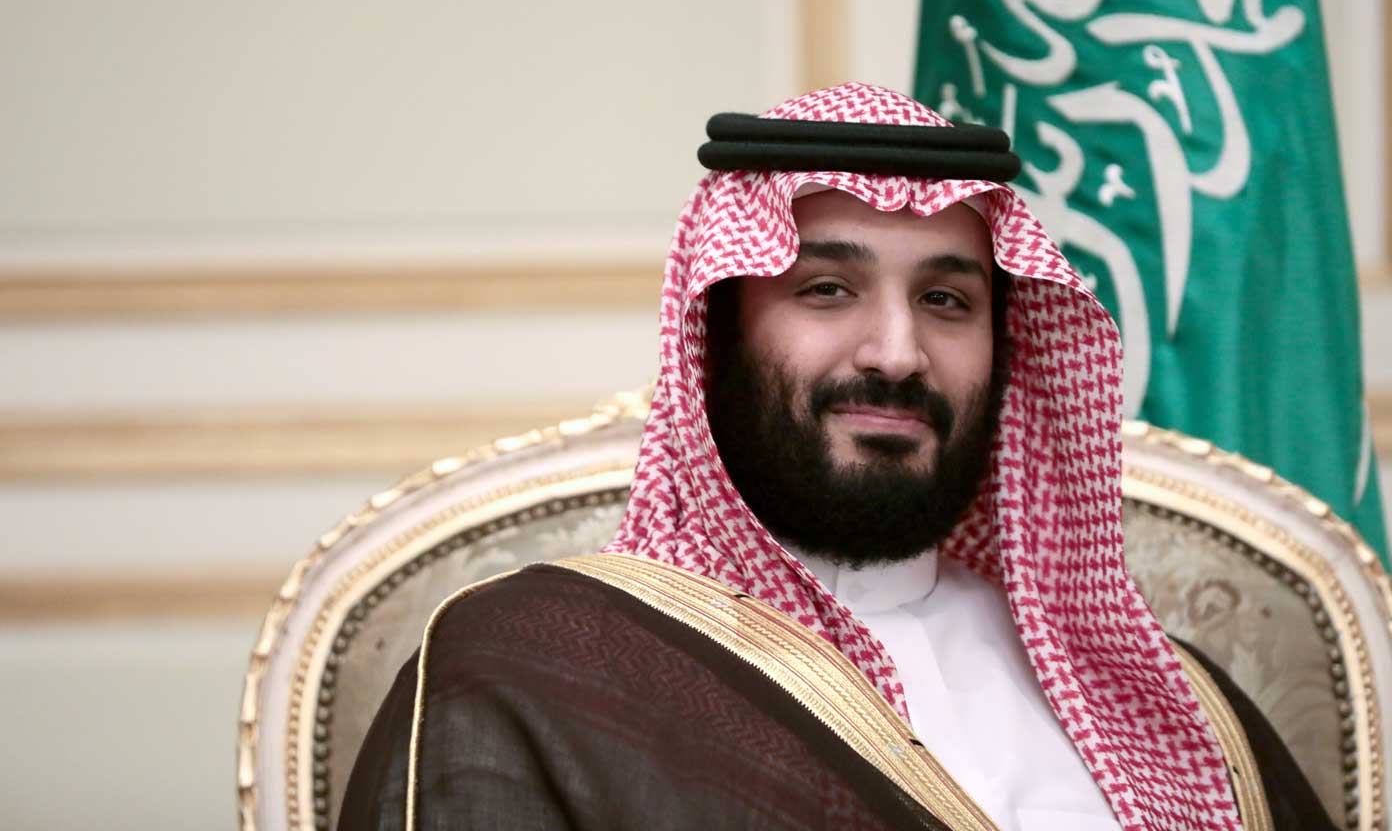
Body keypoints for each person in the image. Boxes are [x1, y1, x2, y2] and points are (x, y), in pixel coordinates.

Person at [339, 83, 1332, 830]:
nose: (897, 353)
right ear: (716, 339)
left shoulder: (1160, 700)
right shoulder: (533, 667)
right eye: (825, 290)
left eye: (946, 300)